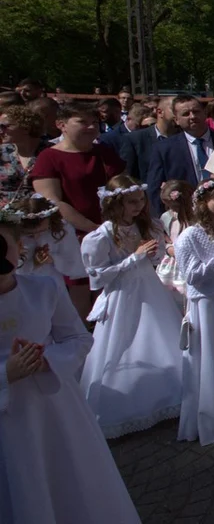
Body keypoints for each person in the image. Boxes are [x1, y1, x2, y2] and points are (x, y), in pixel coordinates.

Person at [0, 220, 141, 524]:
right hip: (7, 416)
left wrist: (47, 360)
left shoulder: (44, 288)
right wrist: (5, 373)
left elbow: (77, 338)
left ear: (18, 247)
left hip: (55, 406)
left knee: (69, 477)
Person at [80, 175, 184, 438]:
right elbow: (98, 277)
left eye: (140, 200)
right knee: (123, 343)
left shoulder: (146, 226)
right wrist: (134, 259)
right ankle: (123, 408)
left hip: (150, 290)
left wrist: (153, 252)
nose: (138, 206)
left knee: (160, 339)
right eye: (131, 202)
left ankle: (167, 397)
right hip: (121, 295)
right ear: (115, 204)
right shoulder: (100, 237)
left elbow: (158, 259)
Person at [30, 102, 126, 320]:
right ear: (61, 125)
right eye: (82, 122)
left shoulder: (104, 153)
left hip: (112, 232)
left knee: (112, 290)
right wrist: (93, 229)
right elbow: (52, 202)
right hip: (73, 236)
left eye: (95, 123)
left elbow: (123, 187)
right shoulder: (49, 157)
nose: (91, 127)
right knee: (80, 293)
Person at [174, 179, 214, 447]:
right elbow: (191, 275)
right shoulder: (189, 236)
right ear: (202, 203)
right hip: (208, 304)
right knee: (213, 357)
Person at [146, 95, 214, 214]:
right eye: (186, 114)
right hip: (185, 216)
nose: (192, 116)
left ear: (205, 113)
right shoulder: (164, 149)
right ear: (176, 120)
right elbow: (154, 190)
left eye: (196, 111)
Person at [11, 193, 86, 291]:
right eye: (29, 234)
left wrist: (53, 259)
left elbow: (74, 261)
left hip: (52, 285)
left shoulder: (61, 230)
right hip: (18, 288)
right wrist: (33, 263)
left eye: (41, 232)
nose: (36, 237)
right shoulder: (12, 234)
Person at [157, 179, 195, 309]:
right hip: (173, 261)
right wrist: (168, 248)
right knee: (173, 297)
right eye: (168, 205)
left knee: (188, 296)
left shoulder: (195, 218)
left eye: (175, 206)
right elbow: (164, 238)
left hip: (190, 259)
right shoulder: (166, 217)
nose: (172, 209)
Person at [119, 96, 175, 181]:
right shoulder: (135, 139)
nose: (179, 114)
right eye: (174, 110)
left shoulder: (187, 138)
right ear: (160, 112)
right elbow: (127, 177)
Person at [0, 105, 49, 198]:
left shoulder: (51, 152)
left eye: (4, 126)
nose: (1, 131)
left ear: (26, 127)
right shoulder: (2, 152)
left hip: (40, 209)